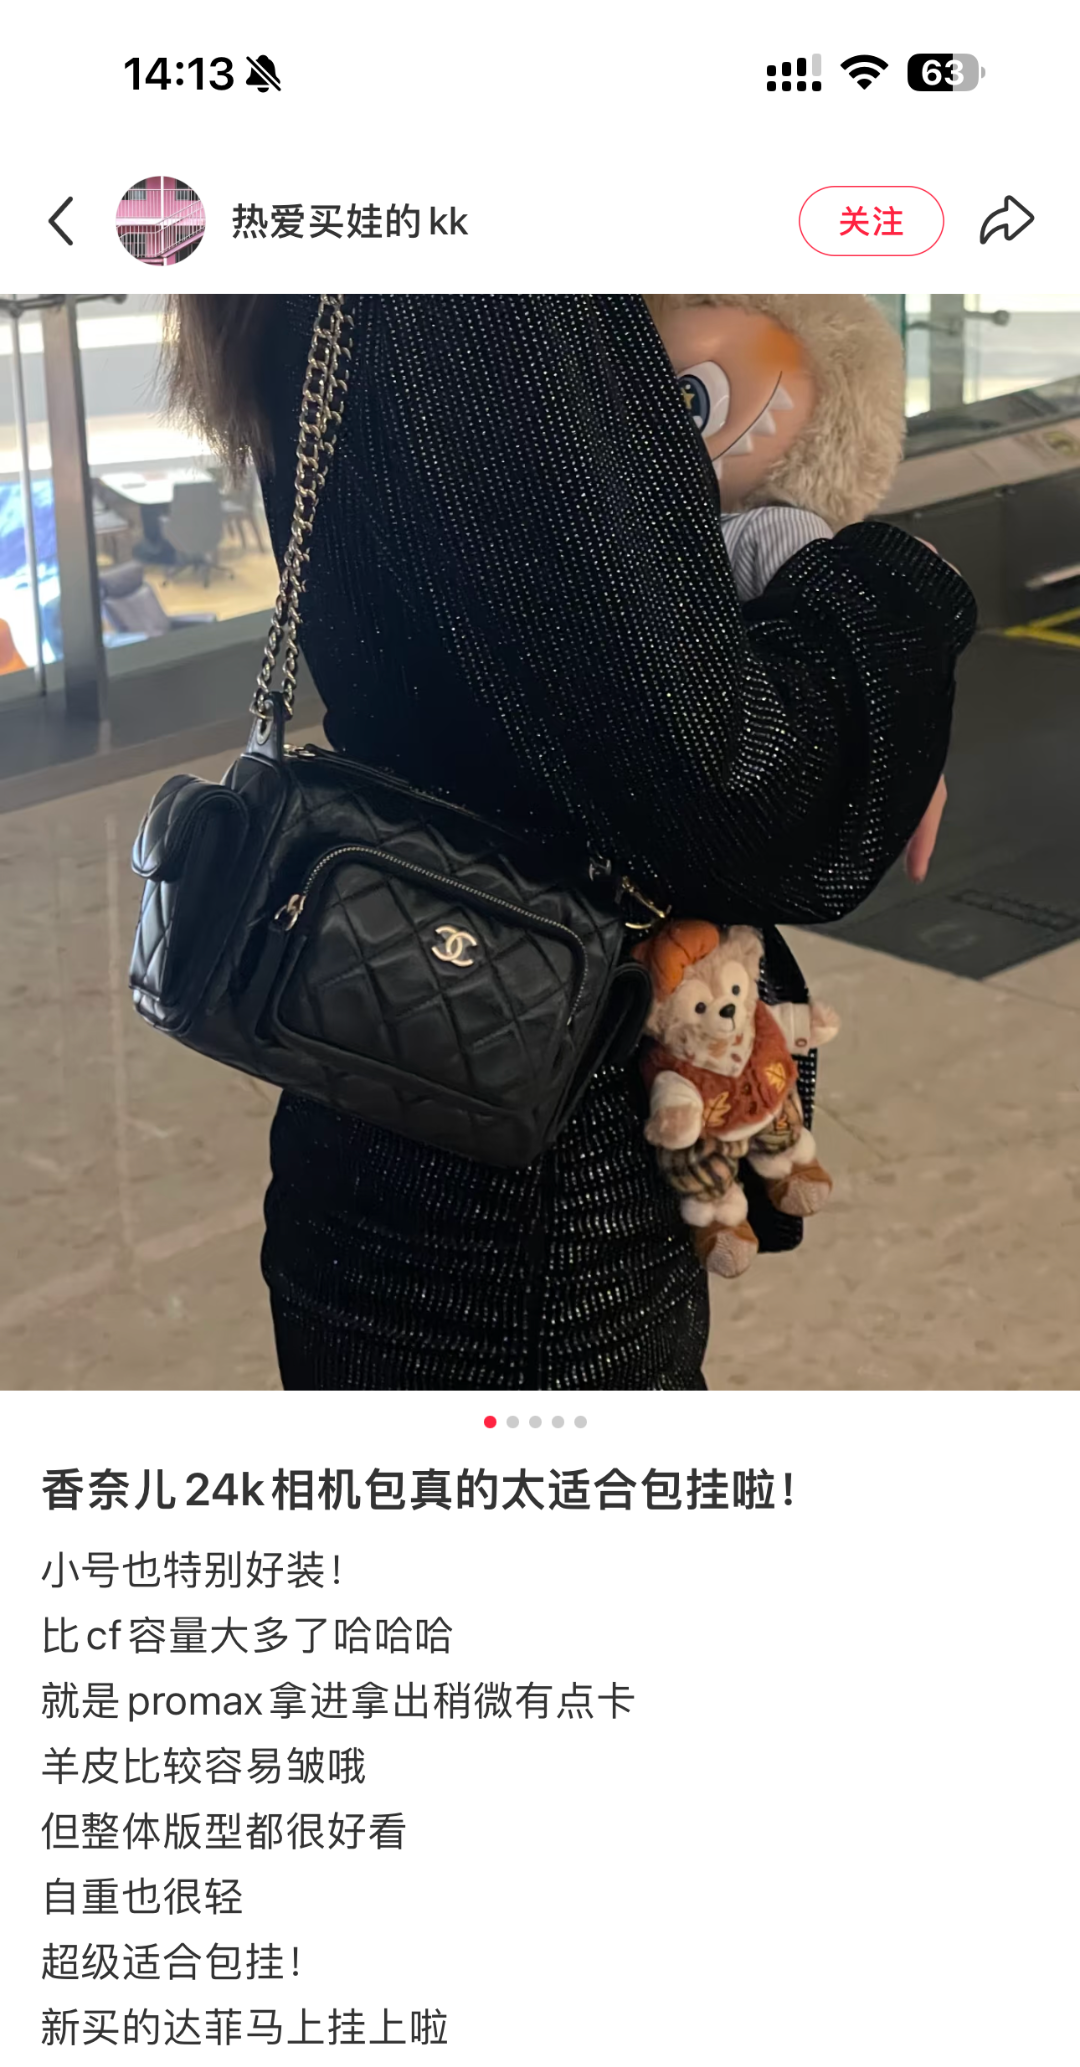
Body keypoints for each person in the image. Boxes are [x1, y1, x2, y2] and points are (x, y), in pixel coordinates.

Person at [164, 295, 976, 1391]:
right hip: (531, 1168)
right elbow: (749, 795)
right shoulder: (490, 297)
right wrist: (893, 598)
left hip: (413, 1038)